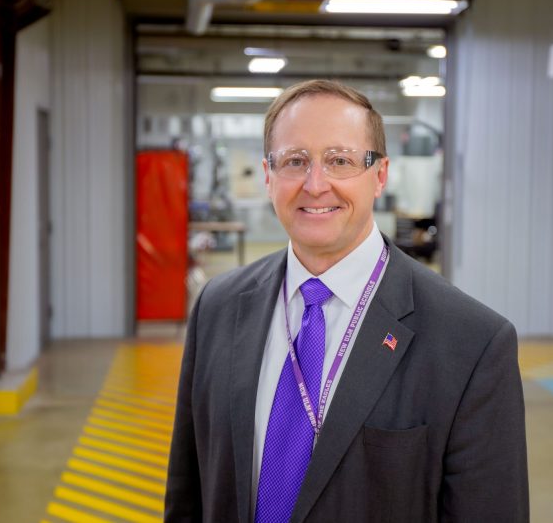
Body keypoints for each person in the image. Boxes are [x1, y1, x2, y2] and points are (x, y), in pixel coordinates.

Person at [165, 80, 528, 522]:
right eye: (295, 161)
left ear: (379, 176)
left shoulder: (471, 344)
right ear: (267, 176)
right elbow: (188, 496)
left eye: (340, 161)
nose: (316, 184)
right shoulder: (217, 310)